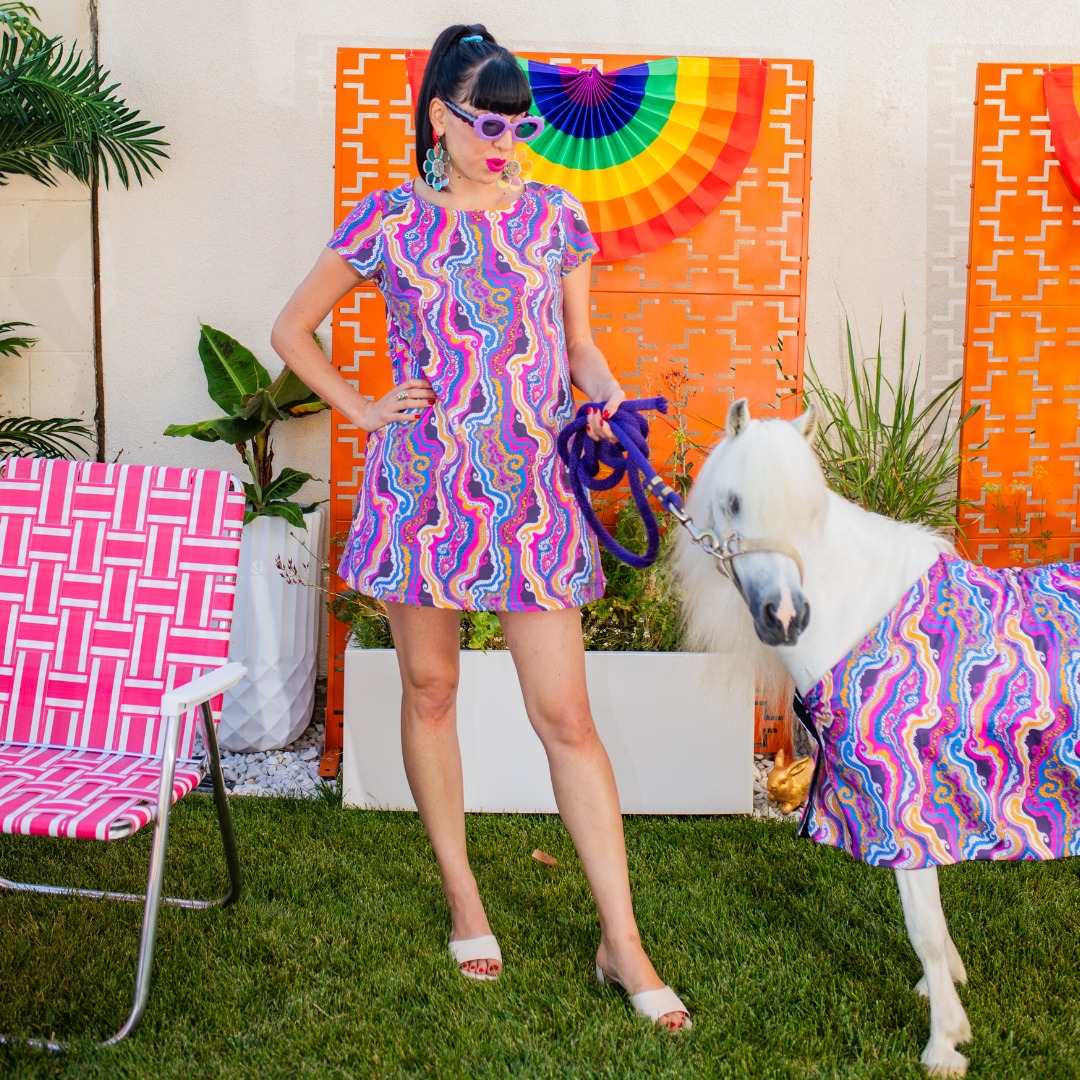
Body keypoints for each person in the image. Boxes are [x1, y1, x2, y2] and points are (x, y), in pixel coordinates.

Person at [271, 23, 690, 1031]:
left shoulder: (555, 215)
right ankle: (465, 894)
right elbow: (291, 329)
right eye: (488, 122)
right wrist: (363, 408)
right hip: (422, 491)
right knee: (430, 687)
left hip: (534, 492)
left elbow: (581, 347)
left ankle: (620, 941)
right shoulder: (385, 220)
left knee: (567, 718)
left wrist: (610, 403)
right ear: (439, 118)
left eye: (519, 122)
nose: (507, 139)